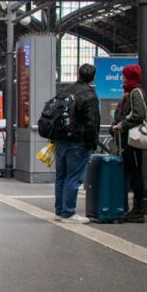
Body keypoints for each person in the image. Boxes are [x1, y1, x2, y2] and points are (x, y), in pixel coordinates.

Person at [53, 64, 100, 224]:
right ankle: (68, 213)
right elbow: (92, 122)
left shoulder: (65, 91)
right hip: (78, 141)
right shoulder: (89, 95)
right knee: (73, 177)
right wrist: (92, 143)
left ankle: (60, 210)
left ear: (78, 74)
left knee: (61, 176)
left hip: (61, 140)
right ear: (93, 78)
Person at [112, 64, 147, 223]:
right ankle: (134, 209)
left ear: (130, 77)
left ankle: (138, 210)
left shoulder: (135, 92)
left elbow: (139, 114)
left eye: (124, 75)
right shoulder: (130, 92)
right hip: (128, 141)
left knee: (135, 175)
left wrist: (122, 125)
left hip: (132, 141)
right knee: (133, 174)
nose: (122, 78)